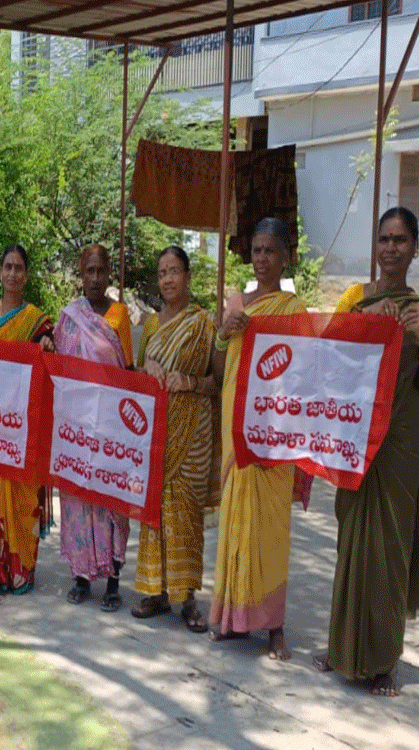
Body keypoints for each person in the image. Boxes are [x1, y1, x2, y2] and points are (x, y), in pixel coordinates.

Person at [314, 207, 419, 695]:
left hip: (401, 442)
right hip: (356, 437)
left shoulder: (418, 309)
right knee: (350, 541)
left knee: (391, 547)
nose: (390, 248)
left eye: (400, 240)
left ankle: (385, 659)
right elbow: (327, 363)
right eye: (384, 239)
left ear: (414, 249)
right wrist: (363, 324)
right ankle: (341, 648)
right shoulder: (357, 302)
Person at [209, 217, 306, 660]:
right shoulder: (236, 304)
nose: (262, 258)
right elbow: (218, 371)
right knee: (236, 520)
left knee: (271, 528)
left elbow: (302, 372)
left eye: (270, 251)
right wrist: (224, 333)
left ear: (285, 257)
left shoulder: (292, 309)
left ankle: (274, 627)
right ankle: (233, 619)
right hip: (237, 424)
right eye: (257, 250)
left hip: (274, 429)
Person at [130, 246, 216, 630]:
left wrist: (190, 382)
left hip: (193, 434)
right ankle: (156, 591)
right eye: (162, 272)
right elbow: (134, 378)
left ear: (188, 276)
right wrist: (145, 367)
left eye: (174, 271)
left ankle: (188, 597)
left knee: (185, 514)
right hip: (156, 432)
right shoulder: (151, 325)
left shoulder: (204, 324)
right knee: (156, 508)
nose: (167, 279)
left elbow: (219, 381)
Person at [54, 243, 133, 611]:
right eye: (90, 271)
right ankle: (81, 576)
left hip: (110, 425)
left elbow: (128, 370)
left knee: (110, 499)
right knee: (78, 495)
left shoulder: (119, 315)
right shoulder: (69, 318)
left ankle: (113, 580)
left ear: (109, 274)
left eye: (101, 270)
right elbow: (59, 367)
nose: (96, 278)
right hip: (77, 425)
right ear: (81, 274)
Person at [0, 244, 54, 596]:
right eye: (8, 267)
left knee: (23, 493)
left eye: (19, 268)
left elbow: (49, 369)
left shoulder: (37, 322)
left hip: (24, 423)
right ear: (0, 272)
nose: (13, 274)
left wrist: (47, 347)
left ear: (27, 274)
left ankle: (22, 569)